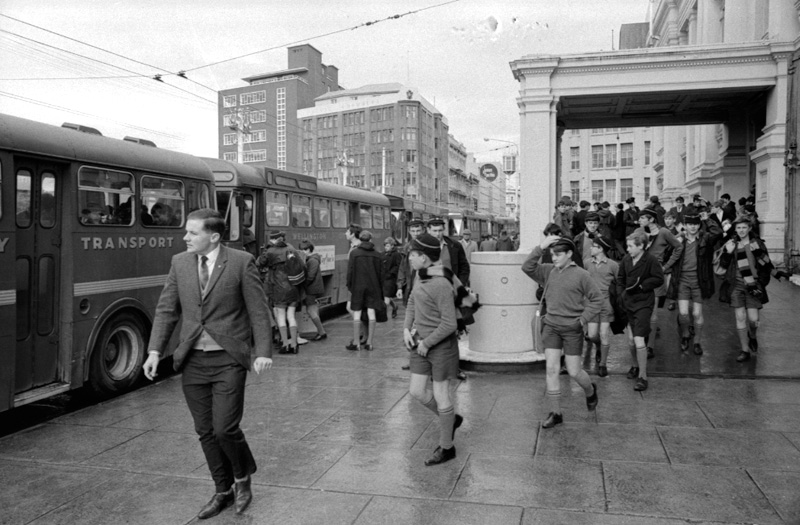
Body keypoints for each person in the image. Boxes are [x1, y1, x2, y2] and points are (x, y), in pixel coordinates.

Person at [142, 208, 272, 519]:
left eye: (192, 232)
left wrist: (263, 351)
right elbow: (166, 309)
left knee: (224, 428)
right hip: (193, 360)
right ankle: (222, 490)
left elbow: (258, 310)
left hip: (228, 358)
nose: (185, 237)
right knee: (205, 431)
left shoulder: (241, 262)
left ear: (213, 237)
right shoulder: (180, 262)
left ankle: (242, 477)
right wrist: (155, 351)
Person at [522, 236, 603, 428]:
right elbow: (527, 267)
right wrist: (541, 246)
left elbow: (597, 299)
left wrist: (582, 320)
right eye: (552, 254)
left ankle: (590, 390)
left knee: (574, 371)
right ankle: (555, 412)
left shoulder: (582, 275)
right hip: (551, 327)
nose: (554, 258)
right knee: (551, 369)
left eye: (558, 254)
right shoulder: (548, 271)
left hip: (572, 329)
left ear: (569, 254)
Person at [403, 233, 463, 465]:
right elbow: (412, 301)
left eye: (413, 254)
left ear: (425, 257)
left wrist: (427, 343)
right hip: (420, 343)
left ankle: (447, 447)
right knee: (417, 391)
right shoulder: (421, 274)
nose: (409, 258)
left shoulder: (440, 283)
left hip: (440, 347)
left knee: (441, 395)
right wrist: (406, 328)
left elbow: (450, 324)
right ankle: (451, 420)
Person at [719, 216, 774, 362]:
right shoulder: (731, 244)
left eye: (744, 227)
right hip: (736, 285)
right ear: (735, 229)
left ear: (749, 228)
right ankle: (744, 350)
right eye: (738, 228)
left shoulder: (757, 244)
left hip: (753, 285)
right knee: (740, 317)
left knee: (754, 320)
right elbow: (723, 265)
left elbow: (766, 265)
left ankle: (753, 335)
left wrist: (760, 284)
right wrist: (728, 252)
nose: (741, 230)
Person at [667, 213, 722, 355]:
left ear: (699, 225)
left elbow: (718, 232)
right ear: (685, 225)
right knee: (683, 313)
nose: (693, 227)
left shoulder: (705, 239)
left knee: (697, 313)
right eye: (690, 224)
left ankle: (697, 341)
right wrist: (676, 239)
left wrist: (707, 219)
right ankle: (685, 334)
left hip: (699, 281)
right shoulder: (679, 239)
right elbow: (668, 254)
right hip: (682, 280)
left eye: (696, 224)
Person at [616, 231, 664, 391]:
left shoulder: (650, 260)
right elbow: (620, 279)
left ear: (641, 246)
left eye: (630, 246)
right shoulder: (626, 259)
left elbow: (659, 278)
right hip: (628, 303)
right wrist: (620, 294)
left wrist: (643, 286)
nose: (627, 249)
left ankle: (643, 377)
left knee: (638, 339)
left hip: (643, 303)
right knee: (631, 341)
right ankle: (635, 365)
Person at [635, 208, 683, 357]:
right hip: (640, 274)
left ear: (651, 219)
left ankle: (650, 346)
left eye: (643, 218)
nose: (640, 220)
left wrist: (666, 266)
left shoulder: (664, 232)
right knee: (641, 310)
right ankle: (642, 339)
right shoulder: (639, 232)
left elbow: (679, 247)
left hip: (656, 275)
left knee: (653, 312)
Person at [258, 230, 301, 354]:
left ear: (273, 239)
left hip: (279, 288)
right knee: (291, 316)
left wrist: (266, 249)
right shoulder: (291, 249)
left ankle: (285, 344)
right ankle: (294, 345)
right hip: (293, 287)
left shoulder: (270, 251)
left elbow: (259, 262)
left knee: (281, 316)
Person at [584, 235, 619, 377]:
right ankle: (598, 346)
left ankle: (603, 364)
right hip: (591, 303)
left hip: (606, 303)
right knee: (592, 335)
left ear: (601, 249)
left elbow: (620, 282)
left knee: (604, 334)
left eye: (593, 246)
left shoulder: (613, 265)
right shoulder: (587, 263)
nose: (591, 248)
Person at [346, 230, 385, 351]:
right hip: (374, 287)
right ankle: (370, 343)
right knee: (371, 312)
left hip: (358, 286)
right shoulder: (378, 255)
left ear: (360, 239)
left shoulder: (354, 253)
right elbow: (381, 274)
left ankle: (356, 343)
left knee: (357, 312)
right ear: (370, 239)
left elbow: (350, 271)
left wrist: (350, 286)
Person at [298, 240, 327, 341]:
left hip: (311, 289)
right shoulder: (312, 259)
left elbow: (310, 277)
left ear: (308, 250)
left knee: (310, 310)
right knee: (312, 310)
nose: (302, 252)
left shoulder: (312, 261)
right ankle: (321, 332)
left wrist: (302, 285)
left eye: (303, 250)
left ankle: (322, 332)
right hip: (312, 288)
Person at [382, 236, 403, 318]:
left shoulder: (396, 255)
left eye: (387, 246)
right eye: (385, 246)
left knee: (386, 297)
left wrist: (391, 273)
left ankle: (383, 315)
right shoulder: (383, 254)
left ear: (392, 246)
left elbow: (398, 266)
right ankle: (394, 306)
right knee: (385, 296)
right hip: (383, 278)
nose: (386, 247)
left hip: (390, 279)